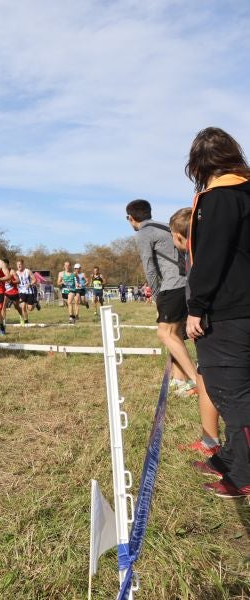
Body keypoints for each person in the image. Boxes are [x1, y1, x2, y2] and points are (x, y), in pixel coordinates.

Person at [183, 127, 250, 498]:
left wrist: (197, 307)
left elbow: (210, 258)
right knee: (237, 390)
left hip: (229, 310)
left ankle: (243, 473)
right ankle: (229, 456)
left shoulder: (220, 198)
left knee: (232, 394)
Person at [126, 199, 198, 398]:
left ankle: (197, 381)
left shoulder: (143, 233)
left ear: (130, 218)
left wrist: (157, 296)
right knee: (176, 335)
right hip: (188, 282)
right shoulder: (166, 227)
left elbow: (149, 268)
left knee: (165, 334)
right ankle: (178, 380)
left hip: (173, 286)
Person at [169, 207, 221, 459]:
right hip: (211, 325)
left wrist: (196, 314)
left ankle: (224, 446)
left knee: (217, 382)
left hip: (214, 325)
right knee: (203, 378)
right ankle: (209, 440)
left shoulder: (199, 254)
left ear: (178, 237)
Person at [15, 259, 38, 324]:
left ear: (23, 265)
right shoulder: (16, 273)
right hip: (22, 292)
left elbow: (34, 280)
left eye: (20, 264)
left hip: (30, 292)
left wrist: (30, 284)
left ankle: (35, 303)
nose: (19, 266)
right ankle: (26, 321)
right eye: (18, 265)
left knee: (30, 308)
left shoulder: (27, 271)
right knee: (23, 307)